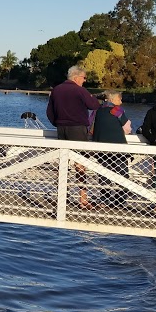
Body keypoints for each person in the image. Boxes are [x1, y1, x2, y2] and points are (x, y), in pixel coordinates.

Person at [46, 66, 100, 209]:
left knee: (63, 163)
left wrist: (58, 123)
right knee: (80, 164)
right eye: (84, 78)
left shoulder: (56, 90)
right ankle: (83, 199)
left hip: (61, 129)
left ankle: (60, 196)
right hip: (77, 129)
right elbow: (94, 105)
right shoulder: (79, 90)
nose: (85, 81)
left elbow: (49, 112)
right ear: (77, 77)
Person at [90, 90, 133, 207]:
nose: (121, 101)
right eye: (120, 99)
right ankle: (120, 199)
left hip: (100, 147)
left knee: (104, 174)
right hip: (117, 148)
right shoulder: (117, 110)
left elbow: (90, 125)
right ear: (113, 100)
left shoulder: (96, 110)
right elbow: (127, 129)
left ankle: (105, 198)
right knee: (122, 174)